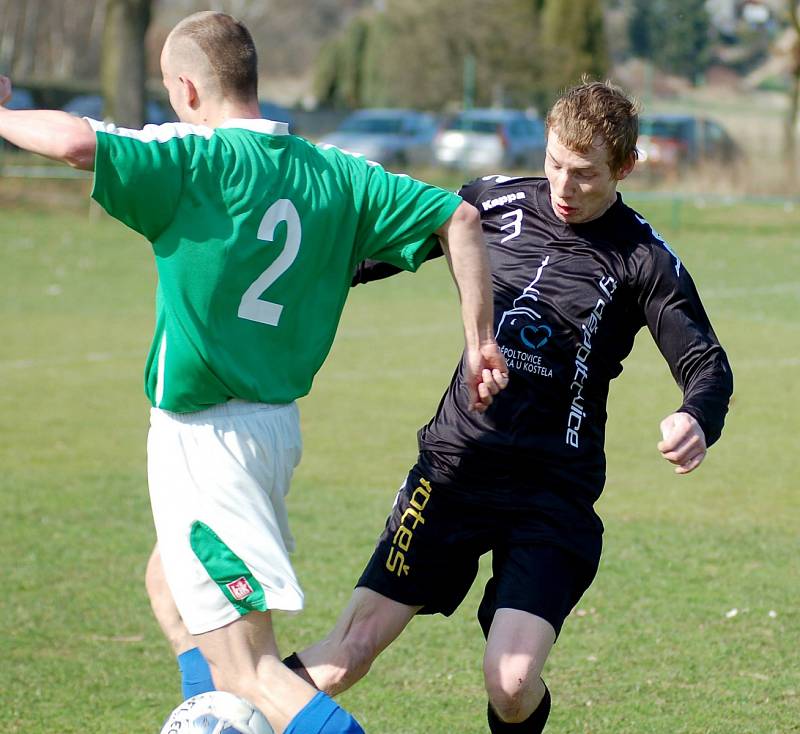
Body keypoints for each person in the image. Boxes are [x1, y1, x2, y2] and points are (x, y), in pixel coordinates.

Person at [0, 11, 508, 734]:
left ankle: (232, 711)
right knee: (167, 586)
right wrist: (477, 339)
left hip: (208, 441)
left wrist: (2, 114)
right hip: (268, 433)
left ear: (186, 88)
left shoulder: (194, 158)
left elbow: (79, 141)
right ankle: (211, 715)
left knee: (253, 671)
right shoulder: (337, 172)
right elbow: (457, 218)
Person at [270, 80, 732, 733]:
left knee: (511, 684)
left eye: (585, 174)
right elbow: (383, 253)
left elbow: (705, 364)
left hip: (551, 495)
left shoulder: (644, 259)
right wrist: (305, 272)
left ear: (626, 168)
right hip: (453, 471)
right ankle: (231, 710)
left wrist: (696, 417)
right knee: (346, 658)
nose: (564, 186)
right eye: (553, 164)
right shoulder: (491, 201)